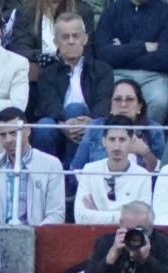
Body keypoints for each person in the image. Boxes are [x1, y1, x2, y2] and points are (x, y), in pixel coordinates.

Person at [27, 11, 113, 164]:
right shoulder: (47, 74)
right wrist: (62, 125)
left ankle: (71, 176)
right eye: (65, 37)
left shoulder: (102, 70)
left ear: (85, 39)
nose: (71, 41)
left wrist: (90, 121)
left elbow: (104, 101)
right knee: (43, 127)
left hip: (92, 124)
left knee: (75, 109)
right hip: (58, 124)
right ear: (56, 42)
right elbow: (48, 104)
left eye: (76, 36)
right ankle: (44, 175)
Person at [0, 107, 66, 224]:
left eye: (13, 133)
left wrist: (34, 235)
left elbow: (56, 214)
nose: (8, 139)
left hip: (39, 237)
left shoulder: (51, 165)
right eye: (2, 135)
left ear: (28, 130)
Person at [93, 0, 168, 124]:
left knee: (159, 101)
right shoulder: (112, 11)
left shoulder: (166, 12)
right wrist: (143, 47)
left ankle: (145, 140)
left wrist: (122, 51)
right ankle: (113, 139)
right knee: (105, 97)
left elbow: (165, 58)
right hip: (116, 74)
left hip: (154, 76)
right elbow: (103, 55)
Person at [71, 76, 163, 171]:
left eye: (129, 99)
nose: (123, 104)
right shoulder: (95, 127)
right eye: (118, 99)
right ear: (110, 105)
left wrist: (145, 152)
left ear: (139, 106)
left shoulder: (154, 130)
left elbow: (161, 175)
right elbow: (76, 169)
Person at [76, 114, 154, 221]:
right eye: (112, 139)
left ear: (132, 141)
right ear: (104, 141)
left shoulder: (143, 176)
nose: (117, 147)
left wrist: (97, 213)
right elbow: (80, 217)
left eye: (122, 140)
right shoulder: (89, 170)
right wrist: (124, 215)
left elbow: (142, 218)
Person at [82, 199, 168, 273]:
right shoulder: (106, 242)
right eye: (129, 230)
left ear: (150, 227)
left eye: (140, 230)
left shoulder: (163, 243)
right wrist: (109, 259)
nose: (135, 235)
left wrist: (147, 260)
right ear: (120, 224)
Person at [8, 0, 96, 66]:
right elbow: (19, 48)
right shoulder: (25, 11)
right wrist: (40, 57)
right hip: (37, 75)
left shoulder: (83, 11)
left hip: (71, 72)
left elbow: (87, 52)